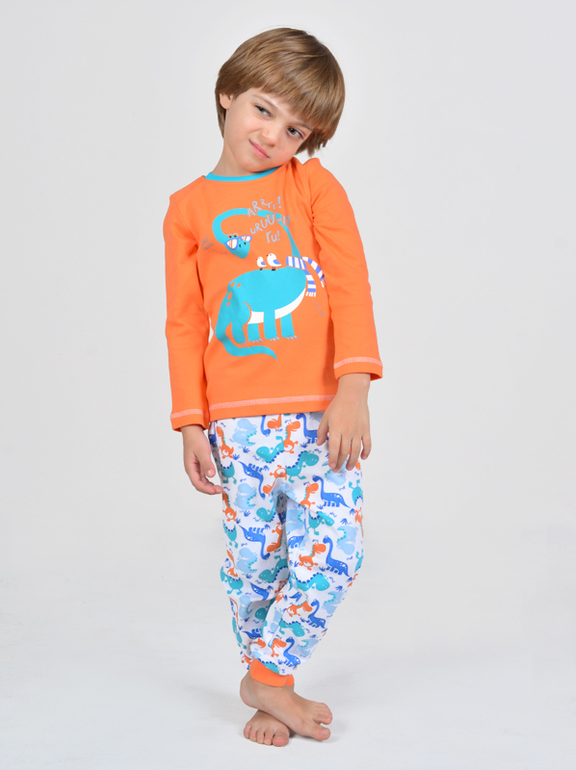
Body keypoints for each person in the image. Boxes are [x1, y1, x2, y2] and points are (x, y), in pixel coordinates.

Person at [164, 27, 382, 747]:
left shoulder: (313, 187)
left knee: (335, 553)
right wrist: (190, 422)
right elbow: (184, 323)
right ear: (228, 94)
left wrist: (354, 387)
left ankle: (267, 674)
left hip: (322, 416)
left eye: (296, 129)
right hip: (235, 423)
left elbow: (349, 286)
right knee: (256, 563)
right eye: (263, 109)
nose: (274, 136)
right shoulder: (188, 209)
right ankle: (270, 689)